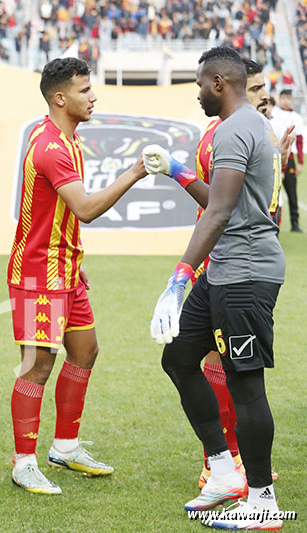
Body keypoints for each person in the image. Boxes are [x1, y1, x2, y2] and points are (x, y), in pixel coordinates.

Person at [149, 46, 286, 530]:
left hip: (246, 275)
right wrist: (179, 170)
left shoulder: (234, 128)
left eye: (201, 84)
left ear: (220, 84)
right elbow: (222, 199)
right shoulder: (244, 126)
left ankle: (263, 502)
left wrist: (179, 277)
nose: (199, 93)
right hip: (224, 270)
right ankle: (225, 471)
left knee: (246, 386)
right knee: (180, 358)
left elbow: (221, 213)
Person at [7, 57, 147, 495]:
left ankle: (65, 446)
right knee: (38, 365)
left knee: (85, 351)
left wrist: (74, 260)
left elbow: (56, 213)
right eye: (86, 91)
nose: (94, 97)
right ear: (61, 98)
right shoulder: (50, 147)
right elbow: (84, 208)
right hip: (38, 274)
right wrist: (135, 171)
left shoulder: (67, 140)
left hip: (67, 269)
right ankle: (24, 461)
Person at [269, 89, 304, 232]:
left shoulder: (296, 117)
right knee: (272, 193)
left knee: (292, 191)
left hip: (289, 158)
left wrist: (300, 162)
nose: (285, 100)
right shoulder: (273, 115)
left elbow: (300, 140)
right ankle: (273, 222)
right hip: (274, 158)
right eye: (283, 97)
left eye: (288, 98)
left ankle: (295, 223)